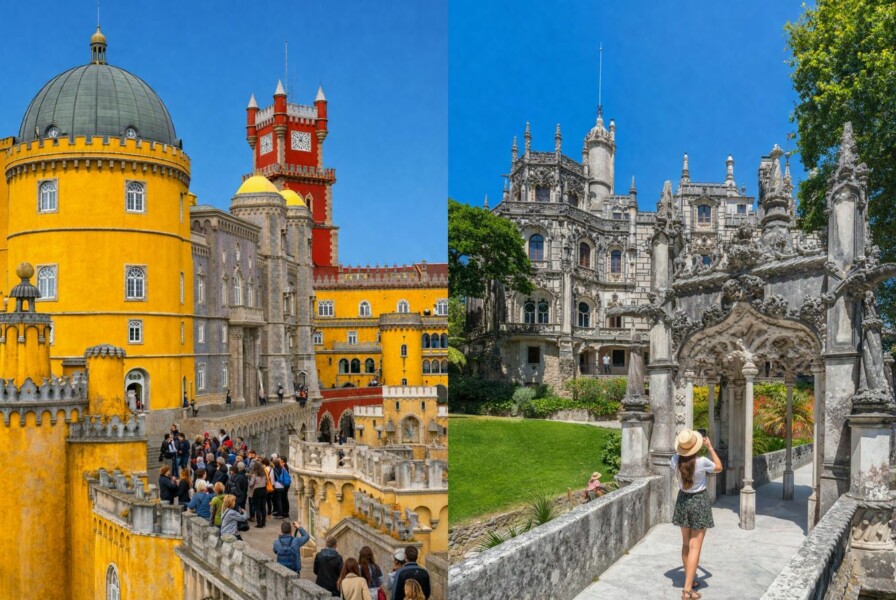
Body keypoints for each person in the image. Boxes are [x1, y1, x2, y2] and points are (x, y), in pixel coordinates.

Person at [671, 429, 723, 600]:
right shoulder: (702, 462)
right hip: (699, 501)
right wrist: (710, 448)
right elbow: (719, 467)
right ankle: (687, 591)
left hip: (683, 500)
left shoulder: (674, 460)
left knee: (686, 544)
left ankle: (690, 580)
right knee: (695, 546)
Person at [249, 461, 268, 527]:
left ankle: (259, 523)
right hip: (264, 490)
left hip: (257, 491)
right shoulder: (264, 474)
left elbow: (251, 483)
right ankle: (263, 522)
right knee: (263, 507)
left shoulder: (255, 475)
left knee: (257, 508)